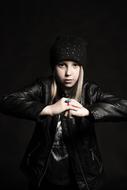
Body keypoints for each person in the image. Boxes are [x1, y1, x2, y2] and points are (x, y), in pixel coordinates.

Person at [0, 35, 127, 190]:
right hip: (44, 174)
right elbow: (6, 101)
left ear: (81, 68)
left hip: (82, 176)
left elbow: (124, 107)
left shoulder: (89, 91)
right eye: (62, 65)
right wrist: (48, 109)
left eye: (75, 65)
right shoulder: (44, 87)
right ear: (54, 67)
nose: (68, 73)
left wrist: (89, 111)